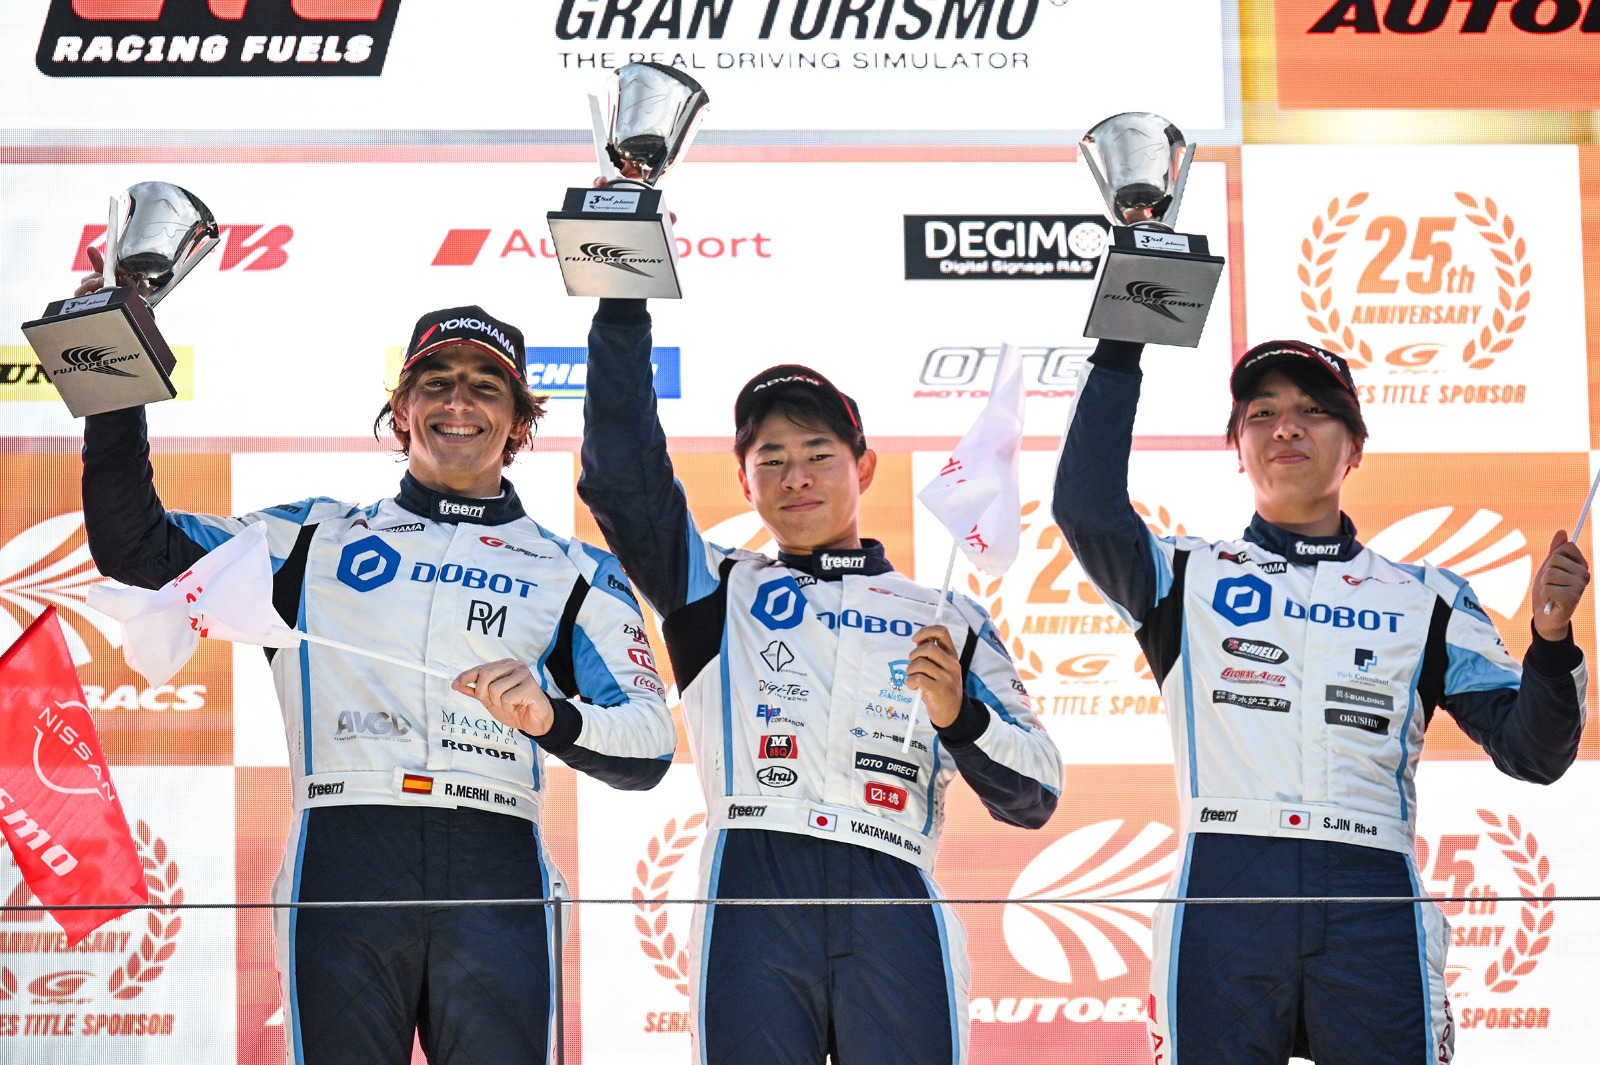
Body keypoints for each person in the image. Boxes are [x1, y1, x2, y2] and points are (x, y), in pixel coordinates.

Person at [76, 249, 675, 1065]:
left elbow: (649, 746)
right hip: (343, 858)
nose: (458, 401)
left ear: (519, 422)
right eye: (436, 381)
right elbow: (134, 544)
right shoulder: (308, 539)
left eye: (486, 385)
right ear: (400, 409)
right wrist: (110, 358)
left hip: (495, 869)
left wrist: (553, 717)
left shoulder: (574, 570)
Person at [1052, 336, 1589, 1064]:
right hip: (1225, 880)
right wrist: (1120, 347)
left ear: (1355, 447)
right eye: (1262, 413)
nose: (1286, 427)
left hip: (1373, 888)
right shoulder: (1183, 575)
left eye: (1312, 410)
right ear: (1238, 448)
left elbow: (1534, 754)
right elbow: (1085, 508)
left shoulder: (1426, 597)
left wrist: (1551, 643)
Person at [578, 297, 1063, 1065]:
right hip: (753, 890)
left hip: (894, 889)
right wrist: (622, 308)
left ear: (863, 466)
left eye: (817, 453)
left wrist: (961, 716)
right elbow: (620, 478)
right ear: (745, 483)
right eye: (770, 459)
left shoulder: (948, 617)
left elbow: (1037, 793)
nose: (795, 477)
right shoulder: (714, 588)